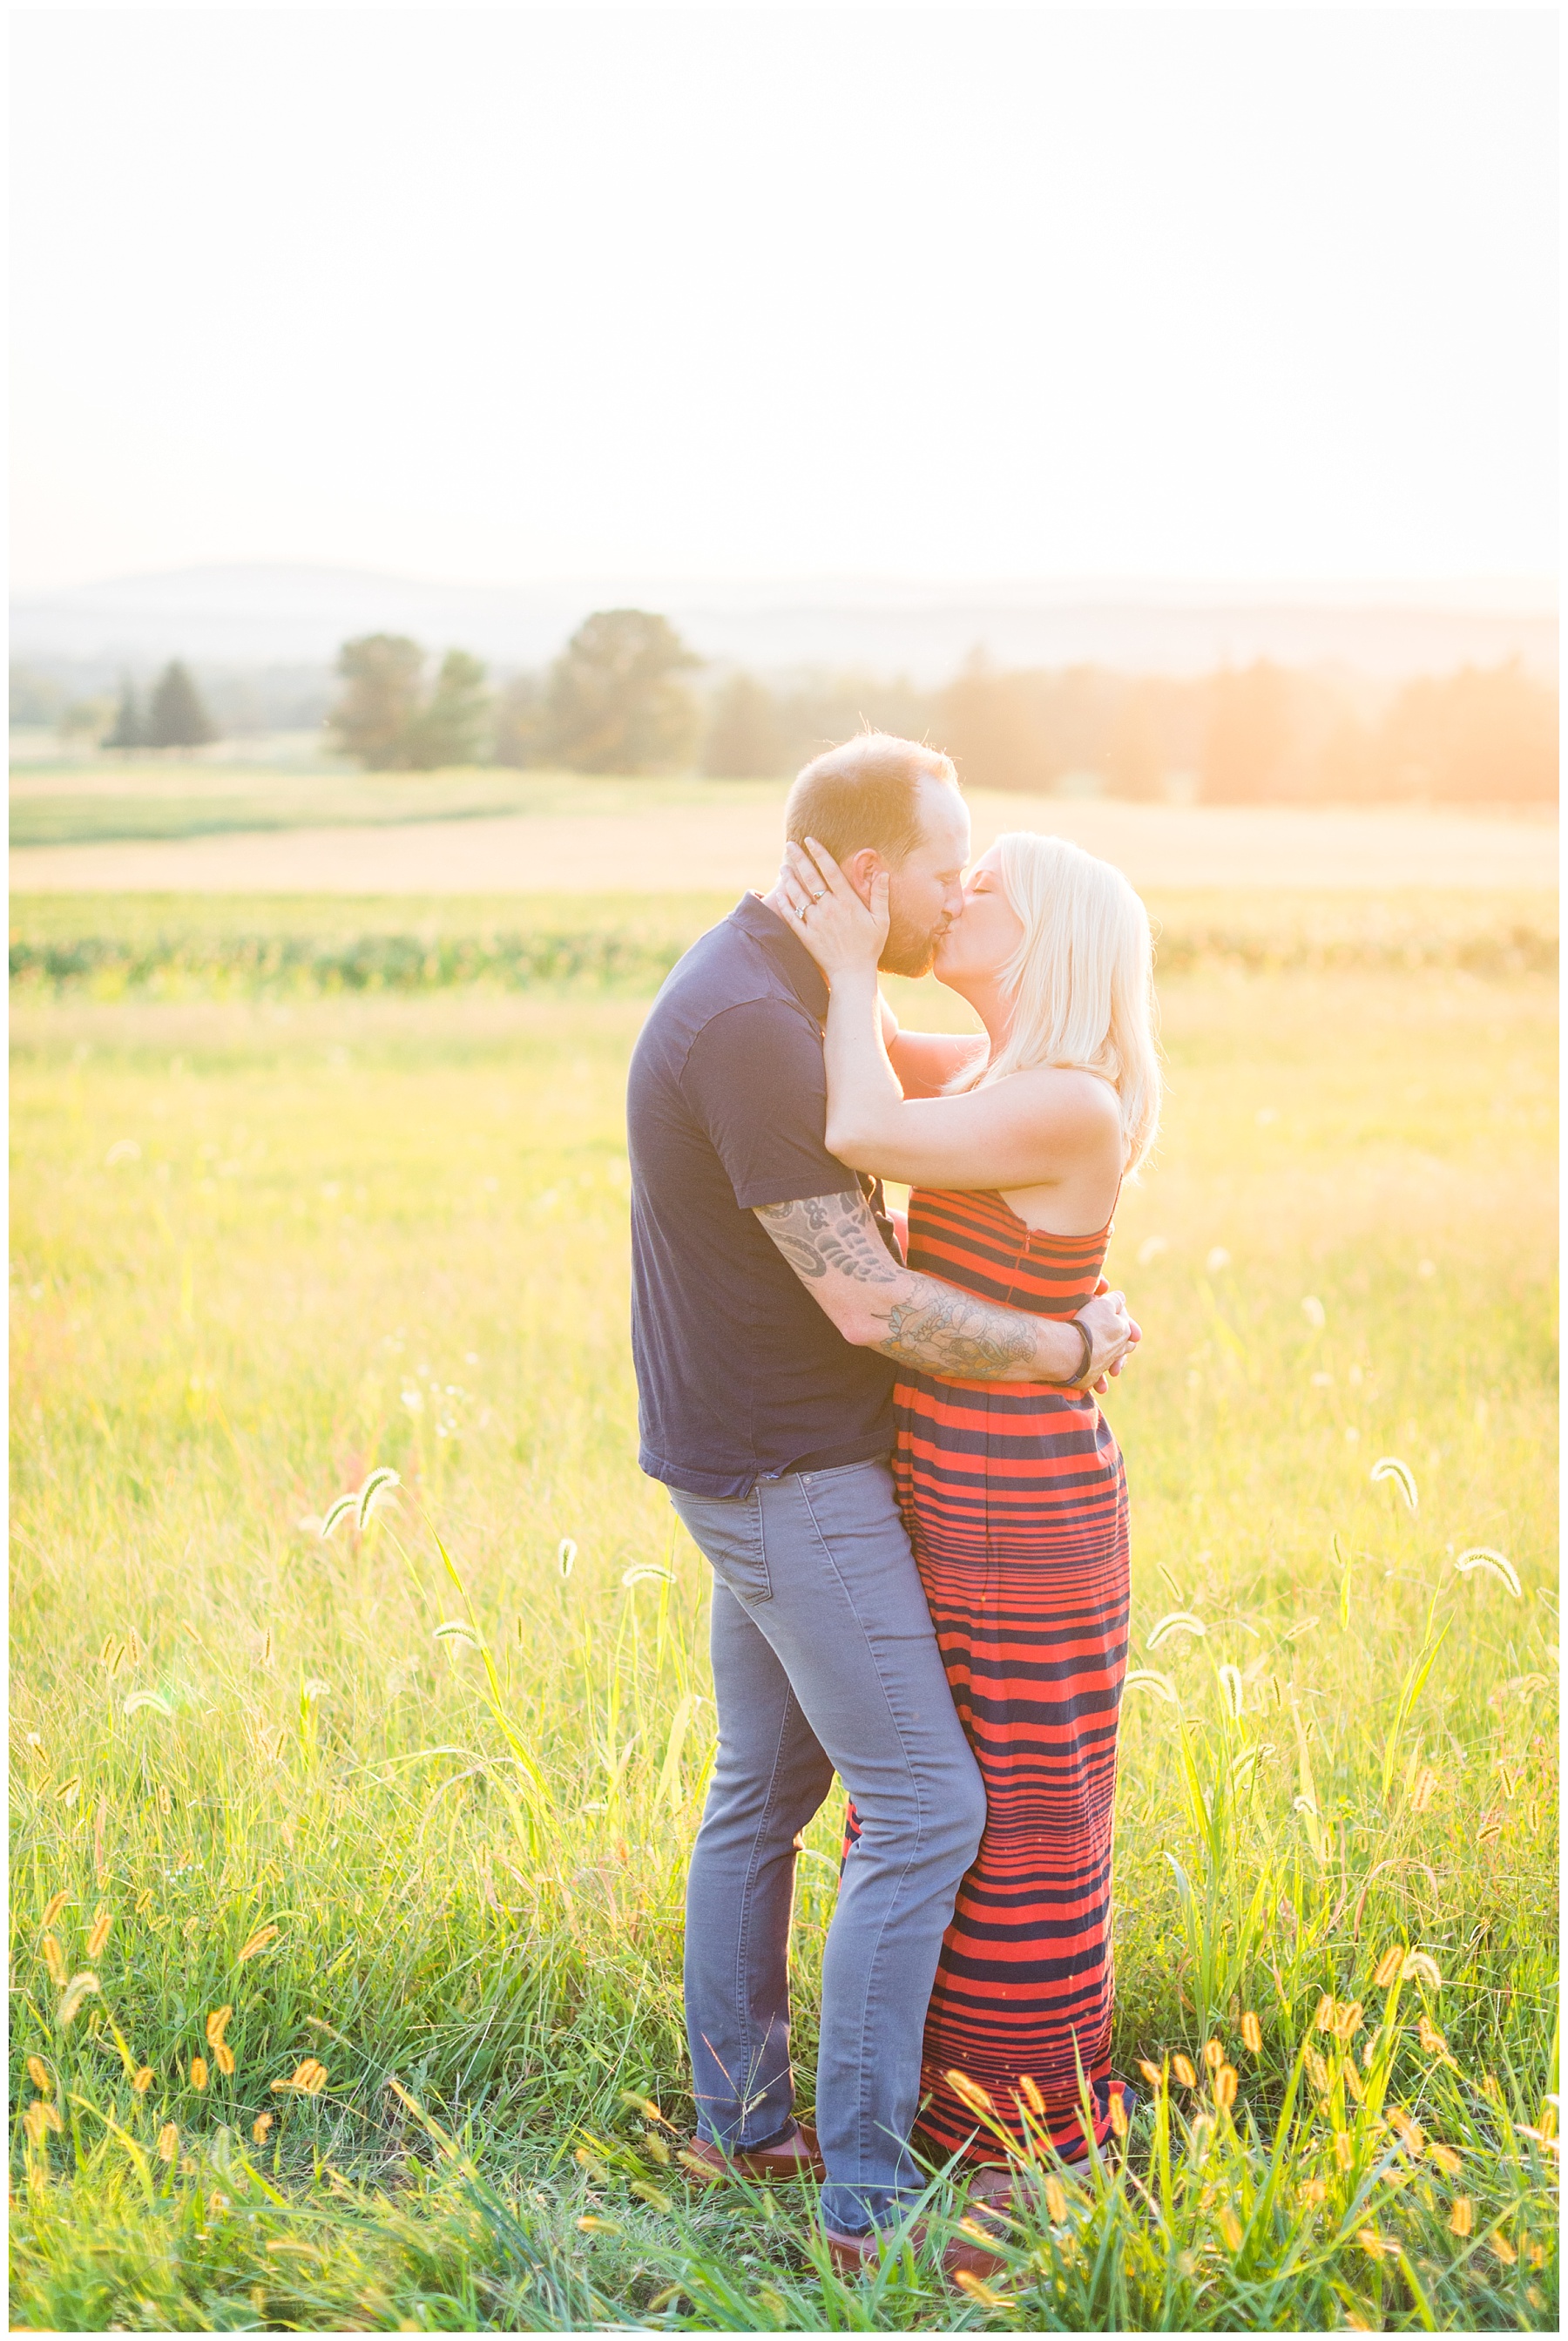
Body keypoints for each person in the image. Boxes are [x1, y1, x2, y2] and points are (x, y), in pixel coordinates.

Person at [625, 734, 1139, 2266]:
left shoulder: (771, 991)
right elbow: (875, 1309)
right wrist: (1067, 1342)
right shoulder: (757, 1030)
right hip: (796, 1473)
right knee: (928, 1808)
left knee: (764, 1796)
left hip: (763, 1456)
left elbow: (974, 1088)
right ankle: (861, 2192)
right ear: (866, 878)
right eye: (942, 864)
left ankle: (742, 2129)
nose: (957, 886)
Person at [774, 816, 1159, 2190]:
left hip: (1017, 1505)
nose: (958, 899)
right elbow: (874, 1068)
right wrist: (844, 948)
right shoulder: (1002, 1067)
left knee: (1018, 1803)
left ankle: (1019, 2136)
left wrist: (847, 953)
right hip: (962, 1485)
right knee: (950, 1796)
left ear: (1046, 939)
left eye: (983, 890)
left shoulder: (1068, 1100)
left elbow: (858, 1119)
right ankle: (939, 2107)